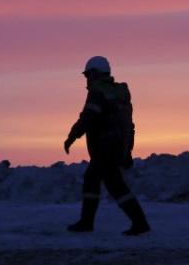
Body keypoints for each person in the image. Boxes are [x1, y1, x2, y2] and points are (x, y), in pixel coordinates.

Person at [64, 56, 150, 235]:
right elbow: (129, 124)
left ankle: (87, 223)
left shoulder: (97, 92)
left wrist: (72, 136)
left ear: (95, 73)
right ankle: (139, 222)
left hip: (105, 147)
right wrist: (127, 151)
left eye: (88, 75)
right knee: (112, 184)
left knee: (93, 179)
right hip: (118, 147)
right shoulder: (120, 93)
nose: (87, 79)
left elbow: (88, 117)